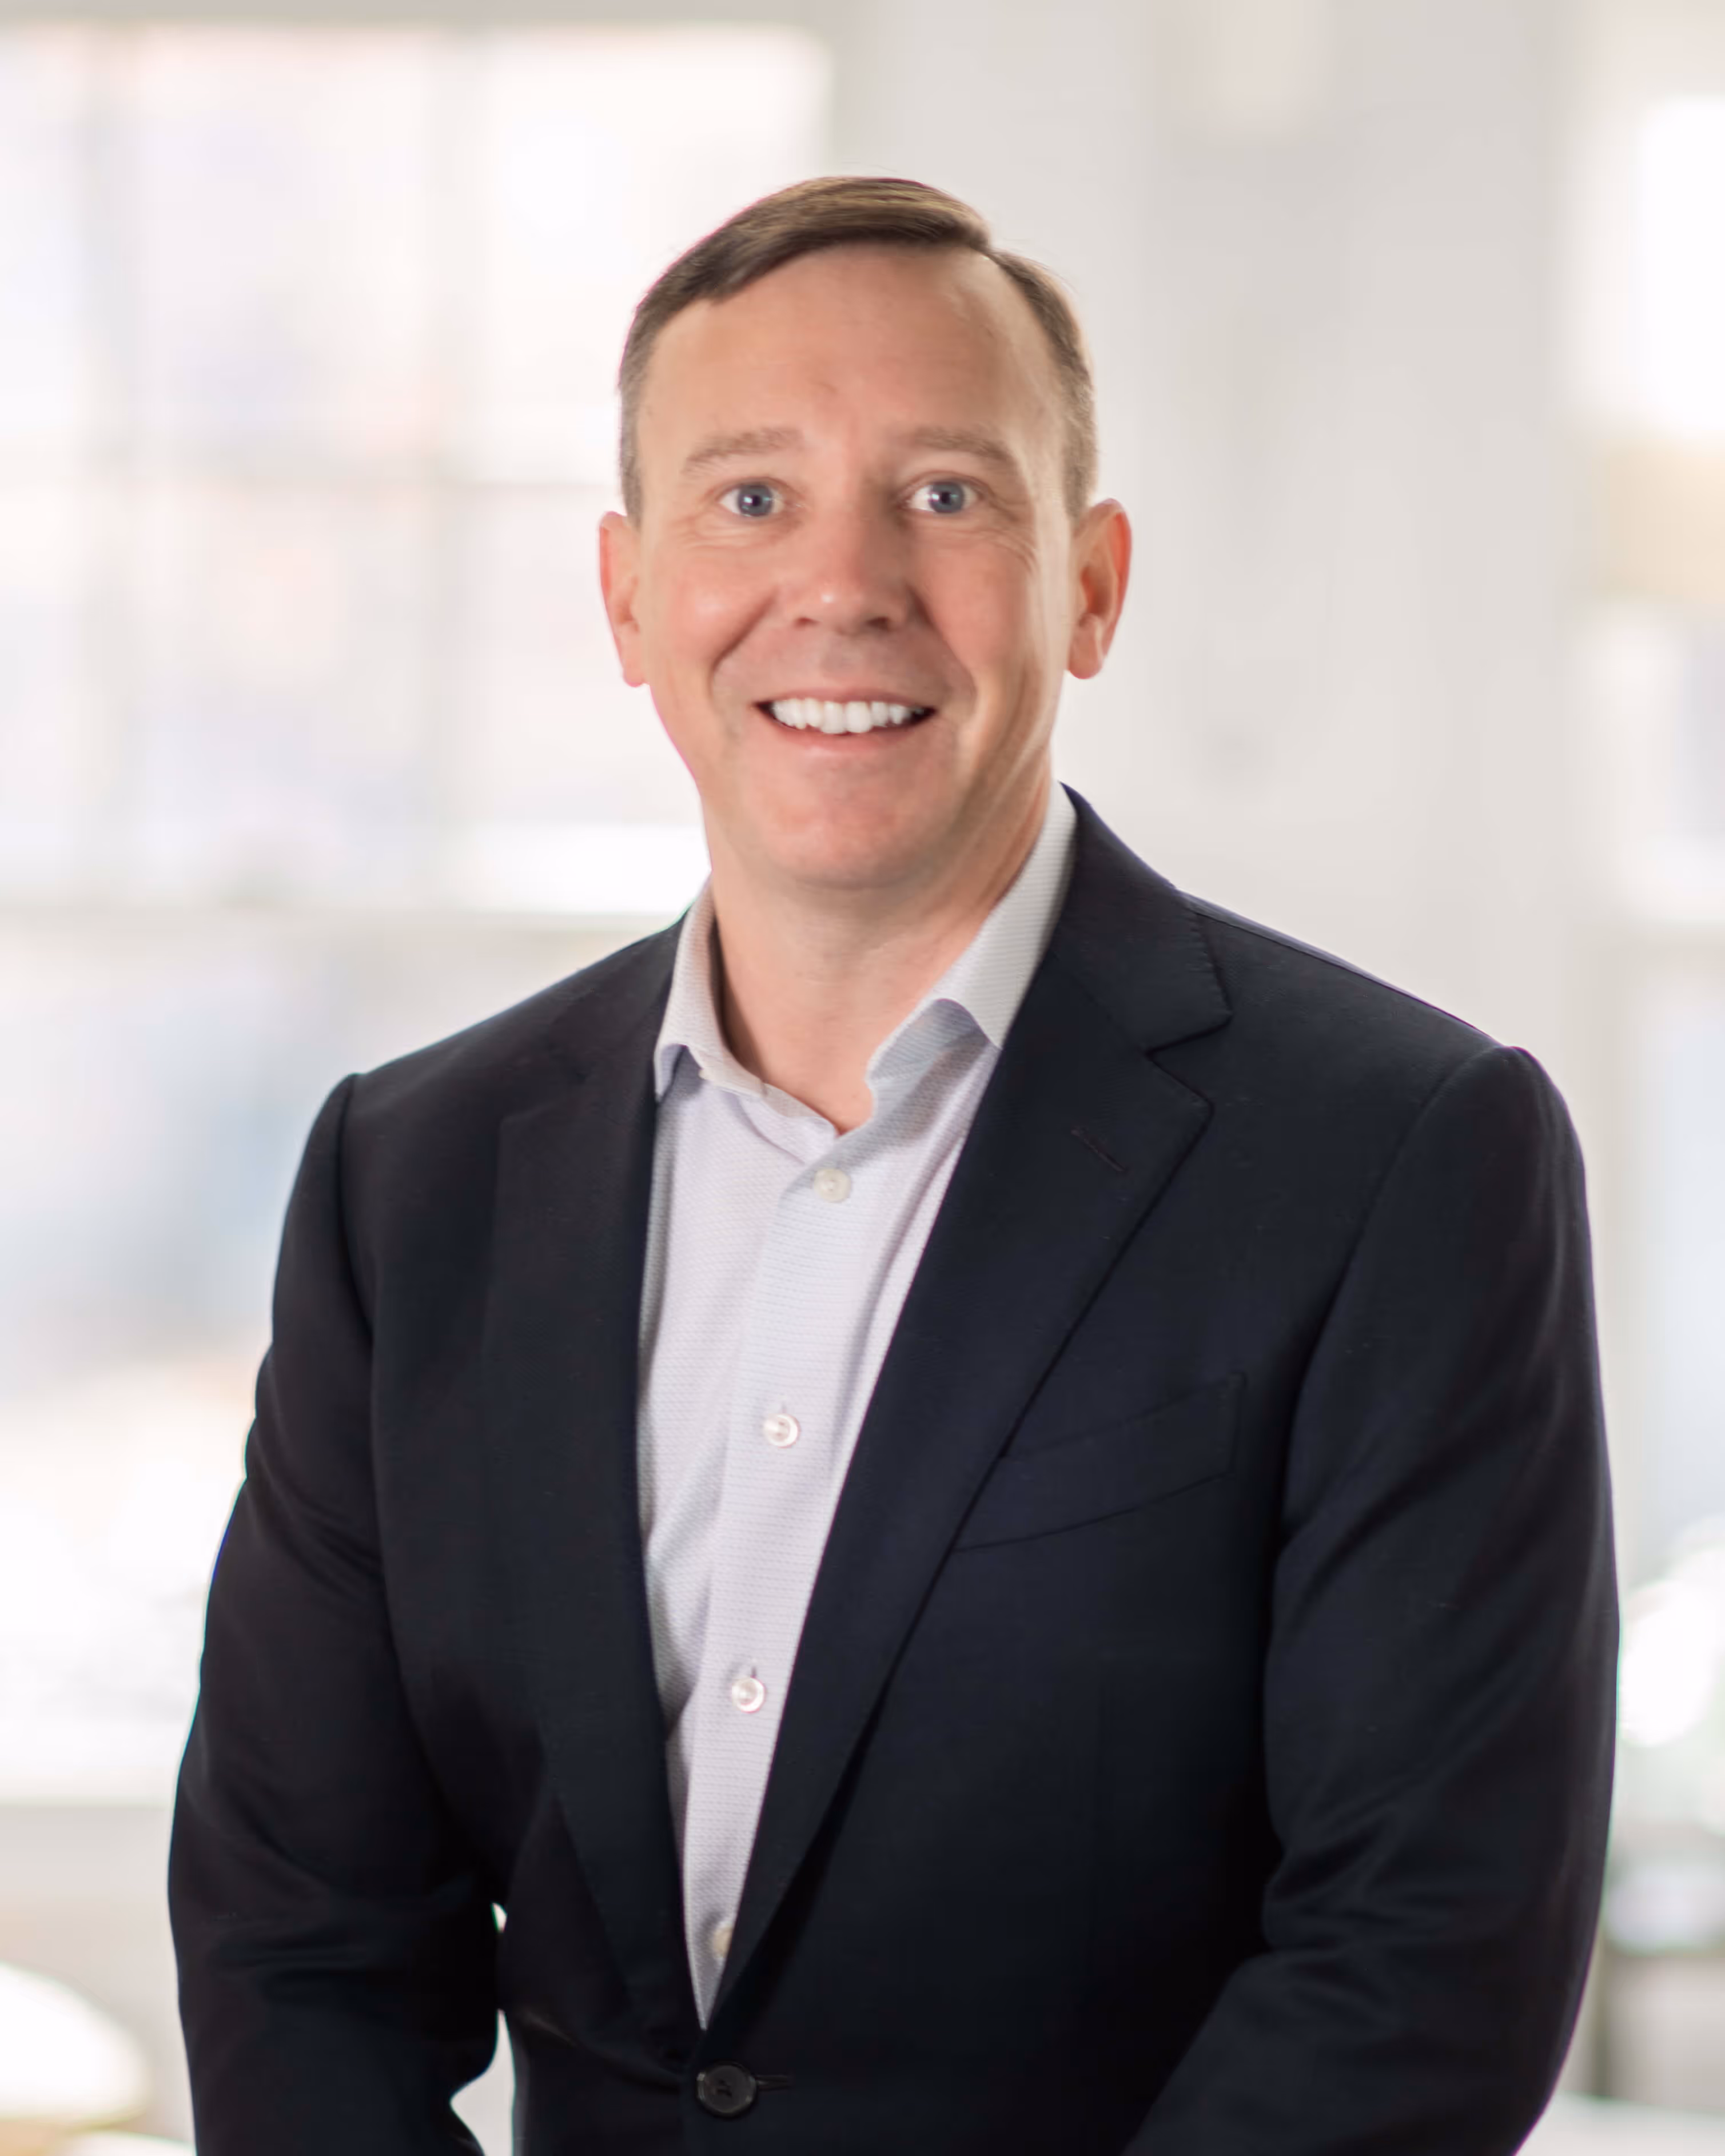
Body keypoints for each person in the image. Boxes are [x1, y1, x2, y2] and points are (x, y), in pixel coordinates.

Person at [169, 176, 1618, 2155]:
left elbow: (1421, 1960)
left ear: (1092, 584)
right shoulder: (407, 1184)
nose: (839, 583)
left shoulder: (1403, 1158)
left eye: (946, 494)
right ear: (626, 595)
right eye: (749, 498)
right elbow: (297, 1944)